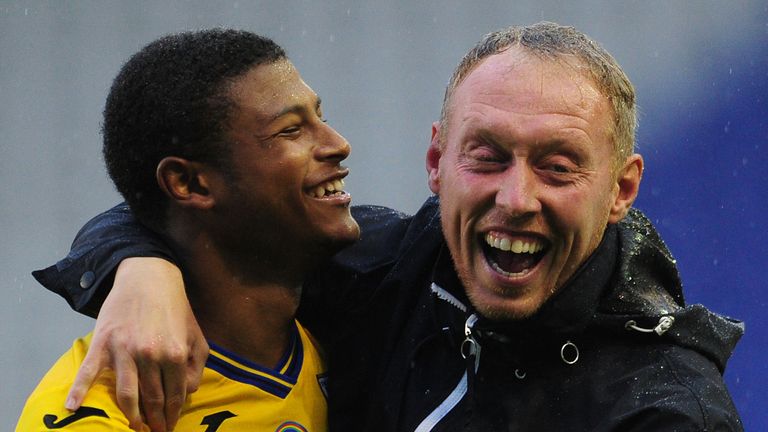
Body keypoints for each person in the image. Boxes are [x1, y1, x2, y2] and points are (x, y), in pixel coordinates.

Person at [31, 22, 744, 431]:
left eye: (558, 167)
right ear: (436, 160)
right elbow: (203, 207)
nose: (516, 199)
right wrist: (137, 267)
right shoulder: (374, 271)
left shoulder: (664, 412)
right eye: (487, 157)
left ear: (622, 188)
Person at [17, 29, 362, 431]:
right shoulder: (99, 411)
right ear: (190, 184)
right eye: (290, 130)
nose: (338, 143)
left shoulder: (362, 328)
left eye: (321, 117)